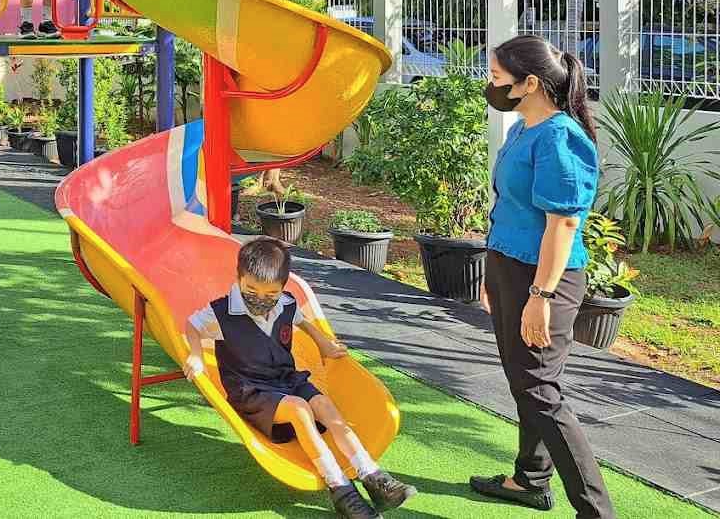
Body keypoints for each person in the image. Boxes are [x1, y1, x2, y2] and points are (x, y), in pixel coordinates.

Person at [470, 35, 615, 518]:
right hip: (509, 268)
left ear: (530, 83)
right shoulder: (522, 128)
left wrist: (541, 295)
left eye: (496, 77)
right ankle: (530, 479)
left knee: (539, 389)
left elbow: (564, 224)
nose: (490, 84)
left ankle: (596, 512)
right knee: (526, 381)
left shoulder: (560, 137)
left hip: (544, 278)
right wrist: (495, 276)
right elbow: (512, 208)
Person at [183, 238, 416, 518]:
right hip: (251, 390)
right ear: (239, 279)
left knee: (325, 406)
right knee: (300, 409)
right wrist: (196, 355)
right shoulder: (223, 312)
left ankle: (373, 476)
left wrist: (323, 343)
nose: (260, 298)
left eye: (271, 293)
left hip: (286, 379)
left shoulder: (285, 304)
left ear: (282, 288)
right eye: (251, 290)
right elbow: (192, 325)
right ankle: (340, 488)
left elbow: (303, 320)